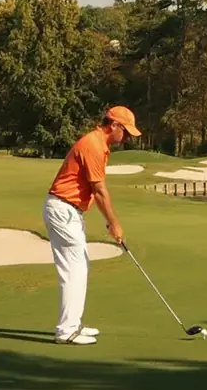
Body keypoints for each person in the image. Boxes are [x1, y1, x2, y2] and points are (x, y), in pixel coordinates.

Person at [42, 105, 141, 345]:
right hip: (63, 209)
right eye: (125, 132)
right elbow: (99, 191)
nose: (126, 138)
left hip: (69, 210)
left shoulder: (99, 145)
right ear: (114, 125)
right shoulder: (93, 145)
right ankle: (66, 331)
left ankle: (73, 323)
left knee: (79, 266)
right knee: (74, 269)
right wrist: (114, 224)